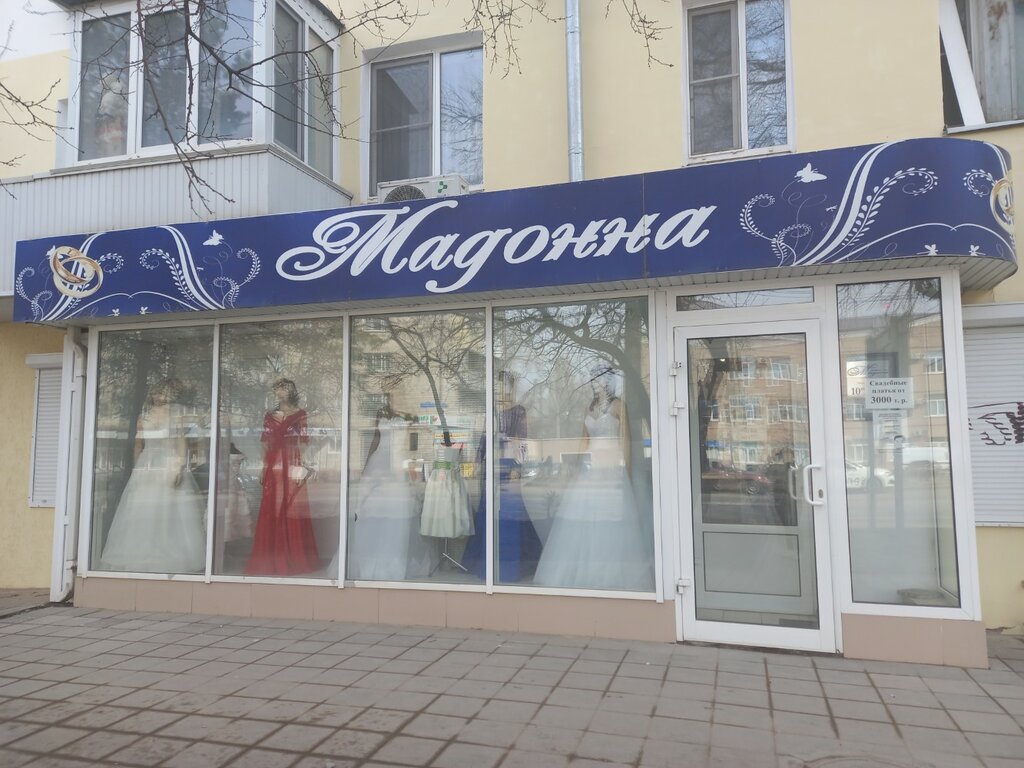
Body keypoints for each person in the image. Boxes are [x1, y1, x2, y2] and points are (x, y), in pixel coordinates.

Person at [533, 364, 653, 590]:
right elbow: (583, 440)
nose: (595, 383)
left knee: (610, 519)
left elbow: (626, 441)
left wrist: (626, 470)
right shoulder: (589, 408)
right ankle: (580, 572)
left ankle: (608, 574)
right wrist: (576, 467)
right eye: (593, 380)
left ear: (609, 382)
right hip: (590, 468)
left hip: (611, 464)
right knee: (584, 519)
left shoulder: (619, 406)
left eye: (599, 379)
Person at [99, 377, 206, 573]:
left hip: (168, 462)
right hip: (147, 464)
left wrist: (179, 465)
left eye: (162, 392)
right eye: (156, 392)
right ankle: (140, 553)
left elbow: (180, 441)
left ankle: (172, 552)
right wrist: (136, 468)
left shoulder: (175, 415)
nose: (158, 395)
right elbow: (138, 445)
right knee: (143, 509)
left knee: (171, 510)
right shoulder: (144, 417)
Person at [346, 394, 438, 580]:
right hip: (378, 461)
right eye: (388, 397)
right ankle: (369, 558)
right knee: (369, 510)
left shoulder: (406, 416)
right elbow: (375, 439)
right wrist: (366, 466)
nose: (391, 400)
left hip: (396, 463)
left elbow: (416, 436)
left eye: (393, 396)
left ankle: (391, 557)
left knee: (396, 511)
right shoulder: (380, 414)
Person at [245, 378, 320, 575]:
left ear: (292, 391)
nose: (280, 392)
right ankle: (271, 558)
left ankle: (295, 557)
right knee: (272, 507)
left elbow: (304, 441)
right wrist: (264, 467)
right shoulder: (269, 416)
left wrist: (301, 467)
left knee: (291, 507)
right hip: (274, 465)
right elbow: (265, 442)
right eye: (277, 389)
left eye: (284, 389)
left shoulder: (300, 415)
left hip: (292, 463)